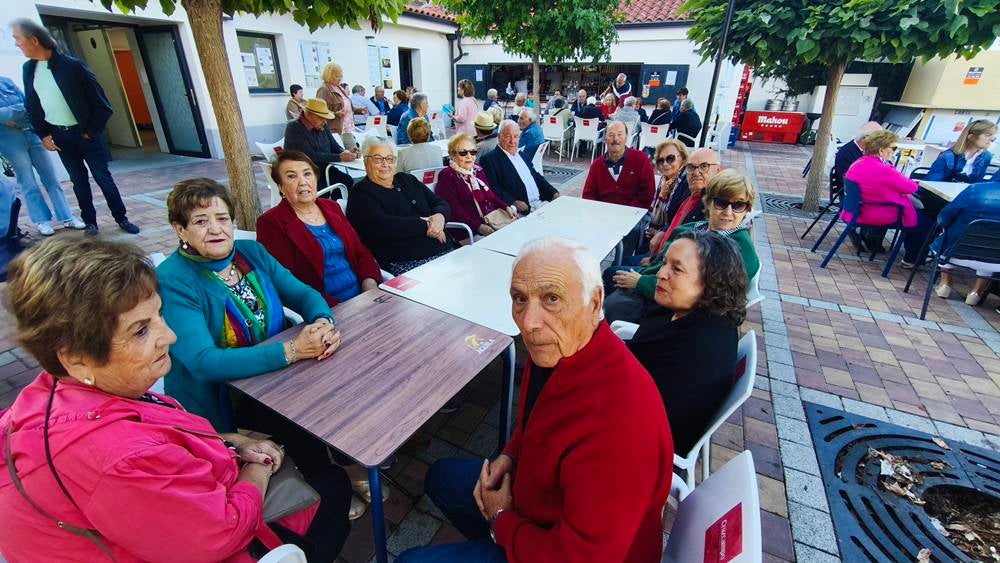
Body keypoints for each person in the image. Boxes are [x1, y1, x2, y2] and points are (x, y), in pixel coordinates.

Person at [0, 235, 353, 561]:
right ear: (76, 357)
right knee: (333, 486)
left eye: (159, 316)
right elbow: (224, 531)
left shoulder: (52, 392)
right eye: (141, 330)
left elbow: (159, 439)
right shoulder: (115, 458)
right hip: (227, 538)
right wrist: (257, 466)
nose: (169, 336)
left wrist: (231, 441)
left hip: (190, 507)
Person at [396, 237, 672, 563]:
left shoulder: (621, 423)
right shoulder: (557, 349)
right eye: (520, 299)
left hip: (569, 551)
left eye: (552, 298)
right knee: (440, 477)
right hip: (536, 502)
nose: (528, 323)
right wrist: (511, 455)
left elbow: (582, 558)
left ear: (595, 302)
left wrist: (502, 521)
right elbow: (534, 418)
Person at [626, 230, 748, 455]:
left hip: (638, 444)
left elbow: (647, 420)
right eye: (665, 263)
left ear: (710, 282)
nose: (661, 273)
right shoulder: (686, 310)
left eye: (677, 269)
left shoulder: (699, 351)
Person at [13, 19, 139, 236]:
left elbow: (102, 104)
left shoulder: (73, 66)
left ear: (34, 40)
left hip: (86, 135)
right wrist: (43, 134)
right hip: (60, 136)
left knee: (103, 178)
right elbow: (32, 105)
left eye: (18, 39)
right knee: (78, 181)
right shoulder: (29, 69)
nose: (16, 44)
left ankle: (121, 218)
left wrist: (90, 132)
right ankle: (90, 222)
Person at [604, 169, 760, 324]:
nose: (728, 212)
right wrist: (651, 263)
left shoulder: (740, 251)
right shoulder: (693, 228)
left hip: (669, 308)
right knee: (611, 275)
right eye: (721, 203)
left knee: (612, 301)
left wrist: (640, 283)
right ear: (708, 202)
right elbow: (663, 262)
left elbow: (704, 298)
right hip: (654, 282)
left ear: (747, 209)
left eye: (738, 205)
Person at [257, 150, 382, 306]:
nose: (303, 182)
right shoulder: (271, 223)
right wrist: (336, 307)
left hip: (364, 295)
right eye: (291, 176)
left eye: (307, 174)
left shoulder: (332, 207)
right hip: (323, 307)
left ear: (316, 179)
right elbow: (286, 283)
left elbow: (360, 252)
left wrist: (369, 285)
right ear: (280, 187)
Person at [347, 137, 454, 275]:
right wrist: (427, 224)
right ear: (366, 162)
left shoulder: (407, 179)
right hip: (406, 264)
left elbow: (440, 203)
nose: (385, 164)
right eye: (378, 159)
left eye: (390, 159)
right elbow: (382, 226)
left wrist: (440, 217)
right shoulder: (360, 193)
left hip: (446, 253)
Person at [0, 75, 84, 236]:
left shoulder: (6, 82)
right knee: (28, 182)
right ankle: (42, 221)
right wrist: (13, 113)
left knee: (51, 178)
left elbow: (28, 106)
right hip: (9, 141)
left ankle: (67, 217)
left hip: (31, 133)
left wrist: (8, 116)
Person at [843, 130, 924, 265]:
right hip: (873, 213)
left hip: (856, 210)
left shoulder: (859, 162)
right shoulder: (883, 169)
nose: (895, 151)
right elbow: (911, 187)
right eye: (893, 148)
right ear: (881, 150)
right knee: (924, 221)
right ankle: (912, 259)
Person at [928, 181, 1000, 305]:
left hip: (953, 254)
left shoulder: (975, 189)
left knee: (946, 237)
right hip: (996, 262)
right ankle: (976, 293)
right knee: (991, 246)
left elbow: (943, 219)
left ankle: (945, 283)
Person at [435, 133, 516, 237]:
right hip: (468, 231)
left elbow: (491, 195)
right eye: (463, 153)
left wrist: (505, 207)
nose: (469, 156)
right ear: (452, 155)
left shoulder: (478, 170)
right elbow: (454, 209)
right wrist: (478, 226)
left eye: (473, 152)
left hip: (491, 220)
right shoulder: (447, 175)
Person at [480, 120, 559, 214]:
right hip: (520, 211)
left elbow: (537, 177)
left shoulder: (522, 155)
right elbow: (492, 188)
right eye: (508, 136)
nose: (512, 141)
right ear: (499, 137)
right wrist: (513, 202)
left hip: (541, 203)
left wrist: (553, 193)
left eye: (516, 136)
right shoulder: (490, 159)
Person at [282, 98, 356, 189]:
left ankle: (335, 199)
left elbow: (334, 146)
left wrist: (347, 152)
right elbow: (309, 156)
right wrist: (339, 157)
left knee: (347, 180)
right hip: (304, 175)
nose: (325, 121)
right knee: (337, 186)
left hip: (324, 169)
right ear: (309, 115)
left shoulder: (322, 125)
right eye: (322, 118)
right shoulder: (294, 127)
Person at [582, 120, 655, 209]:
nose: (616, 139)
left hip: (635, 212)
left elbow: (648, 193)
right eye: (611, 135)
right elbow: (588, 194)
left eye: (620, 134)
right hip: (603, 212)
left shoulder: (641, 159)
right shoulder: (596, 165)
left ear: (626, 137)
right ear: (605, 139)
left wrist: (626, 212)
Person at [658, 148, 722, 242]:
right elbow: (671, 219)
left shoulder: (715, 204)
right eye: (691, 167)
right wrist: (662, 232)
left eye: (704, 166)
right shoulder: (686, 186)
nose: (696, 173)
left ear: (717, 171)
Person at [640, 139, 689, 254]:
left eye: (670, 158)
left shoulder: (685, 183)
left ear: (682, 159)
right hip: (656, 235)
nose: (665, 164)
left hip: (669, 244)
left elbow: (679, 220)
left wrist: (661, 232)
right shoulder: (664, 180)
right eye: (661, 160)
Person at [926, 119, 996, 184]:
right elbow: (931, 184)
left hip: (967, 193)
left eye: (993, 136)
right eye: (987, 135)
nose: (992, 139)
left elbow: (977, 183)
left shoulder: (987, 156)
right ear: (971, 136)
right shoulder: (947, 156)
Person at [316, 62, 353, 133]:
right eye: (337, 76)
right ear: (329, 76)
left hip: (348, 126)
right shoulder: (324, 89)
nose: (340, 79)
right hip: (336, 128)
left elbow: (346, 104)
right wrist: (335, 114)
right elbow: (320, 111)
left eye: (340, 76)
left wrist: (358, 110)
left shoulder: (339, 87)